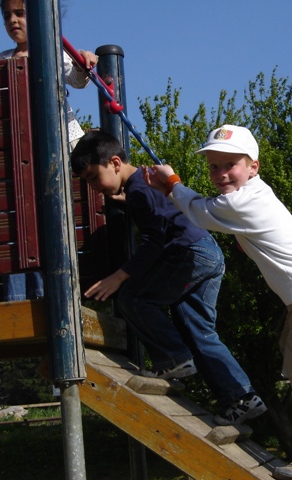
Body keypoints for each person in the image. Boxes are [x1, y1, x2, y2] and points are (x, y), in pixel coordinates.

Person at [144, 125, 292, 480]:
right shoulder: (253, 195)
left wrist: (172, 182)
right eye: (213, 166)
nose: (221, 173)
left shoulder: (243, 200)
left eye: (230, 164)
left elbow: (199, 212)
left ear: (253, 166)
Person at [70, 130, 266, 426]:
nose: (94, 187)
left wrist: (119, 276)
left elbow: (153, 242)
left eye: (93, 177)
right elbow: (159, 212)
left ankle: (174, 360)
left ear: (114, 162)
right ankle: (241, 397)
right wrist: (126, 200)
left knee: (133, 298)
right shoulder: (142, 185)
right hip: (207, 253)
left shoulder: (140, 189)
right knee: (198, 329)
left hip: (189, 254)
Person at [0, 0, 98, 301]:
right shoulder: (2, 59)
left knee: (44, 220)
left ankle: (45, 294)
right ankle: (18, 300)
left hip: (55, 149)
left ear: (39, 17)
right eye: (7, 16)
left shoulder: (52, 51)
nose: (13, 21)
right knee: (21, 223)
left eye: (21, 13)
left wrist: (85, 61)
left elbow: (78, 80)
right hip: (20, 150)